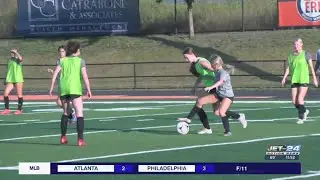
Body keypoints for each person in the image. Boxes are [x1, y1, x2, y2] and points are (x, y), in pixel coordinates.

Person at [178, 52, 247, 135]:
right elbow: (208, 77)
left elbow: (220, 82)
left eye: (212, 65)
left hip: (227, 96)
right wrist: (198, 85)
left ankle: (228, 130)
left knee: (221, 112)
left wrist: (211, 87)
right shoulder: (216, 72)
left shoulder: (223, 73)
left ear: (216, 64)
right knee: (203, 103)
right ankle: (189, 119)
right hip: (218, 94)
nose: (211, 66)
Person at [49, 41, 92, 146]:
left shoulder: (62, 61)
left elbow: (55, 73)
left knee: (65, 113)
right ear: (76, 50)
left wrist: (51, 87)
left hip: (64, 89)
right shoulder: (80, 61)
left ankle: (63, 137)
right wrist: (89, 90)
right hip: (75, 89)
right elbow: (85, 76)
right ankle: (80, 139)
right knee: (79, 113)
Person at [281, 38, 318, 124]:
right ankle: (304, 111)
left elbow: (311, 67)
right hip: (294, 79)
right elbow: (288, 68)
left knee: (300, 98)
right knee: (294, 101)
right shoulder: (290, 55)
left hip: (303, 79)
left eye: (297, 44)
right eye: (295, 44)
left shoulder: (306, 54)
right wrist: (284, 77)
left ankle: (301, 118)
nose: (296, 46)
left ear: (301, 45)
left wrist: (315, 79)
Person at [48, 46, 76, 124]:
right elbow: (60, 74)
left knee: (63, 101)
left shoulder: (68, 60)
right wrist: (53, 72)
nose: (61, 53)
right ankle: (71, 114)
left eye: (63, 51)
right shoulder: (59, 61)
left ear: (66, 52)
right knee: (60, 102)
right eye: (60, 51)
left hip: (69, 84)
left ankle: (71, 115)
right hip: (62, 84)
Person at [0, 49, 24, 115]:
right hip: (10, 80)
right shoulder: (10, 61)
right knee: (5, 93)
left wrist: (16, 52)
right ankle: (6, 109)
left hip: (18, 79)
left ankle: (19, 110)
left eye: (13, 52)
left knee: (19, 95)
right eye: (11, 52)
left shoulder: (18, 60)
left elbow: (21, 58)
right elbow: (9, 71)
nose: (12, 53)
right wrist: (6, 79)